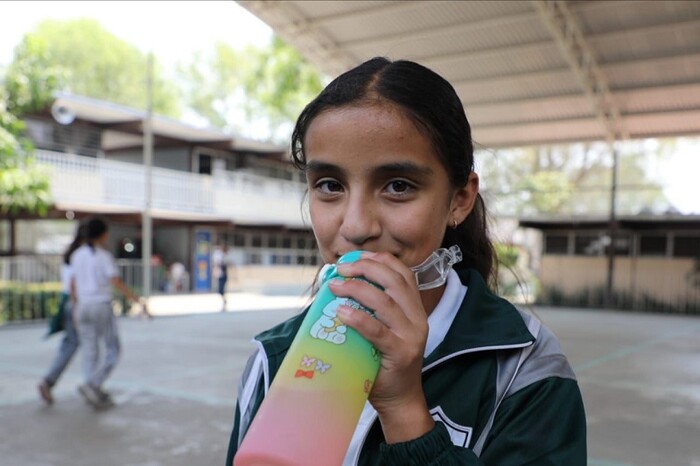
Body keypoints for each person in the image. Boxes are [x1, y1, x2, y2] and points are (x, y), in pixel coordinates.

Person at [226, 57, 586, 465]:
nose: (357, 225)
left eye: (398, 186)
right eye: (329, 185)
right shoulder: (272, 359)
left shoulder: (525, 367)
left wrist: (405, 413)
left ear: (459, 199)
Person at [70, 216, 145, 409]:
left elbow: (73, 284)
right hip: (100, 305)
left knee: (89, 349)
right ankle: (93, 384)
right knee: (113, 349)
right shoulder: (103, 257)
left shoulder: (77, 255)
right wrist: (137, 301)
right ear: (103, 234)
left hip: (83, 306)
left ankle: (91, 384)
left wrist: (75, 307)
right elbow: (116, 282)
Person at [37, 222, 87, 405]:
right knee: (79, 344)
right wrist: (76, 307)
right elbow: (75, 283)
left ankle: (49, 381)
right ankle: (50, 381)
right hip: (77, 302)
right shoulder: (83, 254)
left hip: (69, 301)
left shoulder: (71, 252)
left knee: (71, 344)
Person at [212, 243, 232, 311]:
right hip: (220, 274)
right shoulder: (219, 255)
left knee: (221, 289)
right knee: (220, 290)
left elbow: (225, 265)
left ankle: (224, 301)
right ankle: (224, 301)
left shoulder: (224, 256)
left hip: (223, 275)